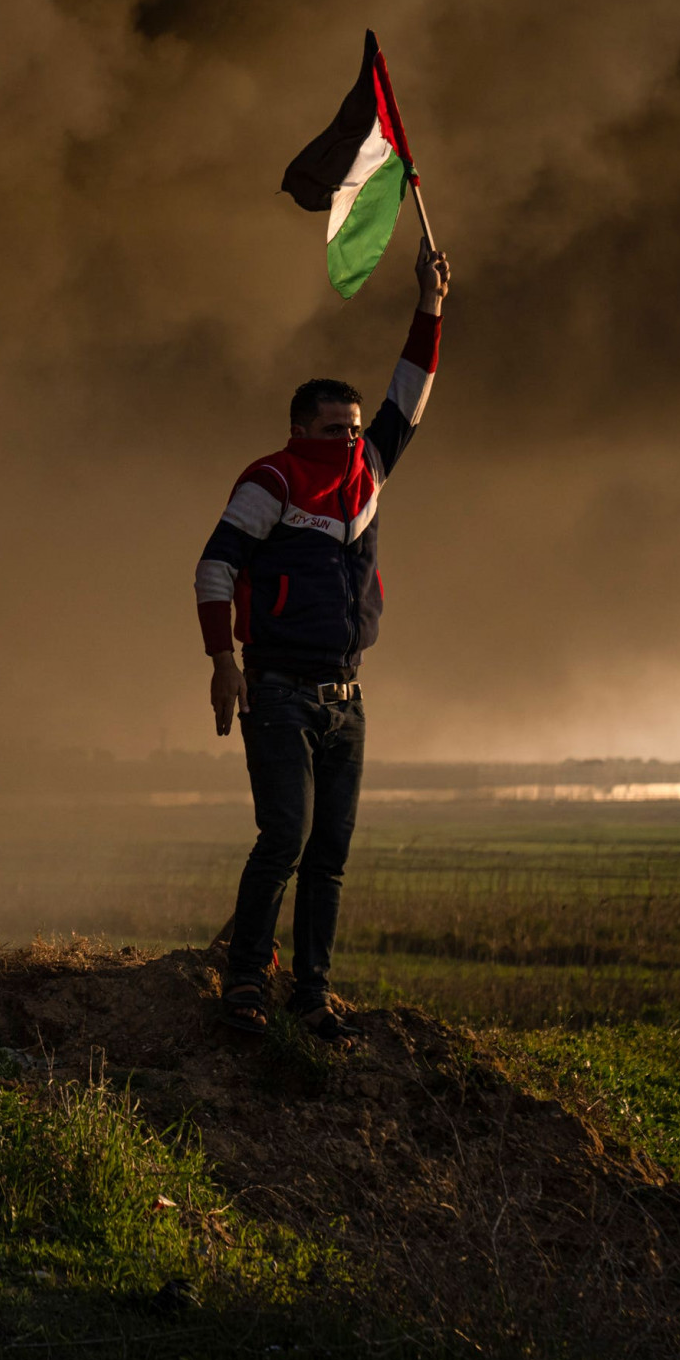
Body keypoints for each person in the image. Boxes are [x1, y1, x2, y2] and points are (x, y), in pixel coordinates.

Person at [193, 235, 452, 1041]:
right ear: (300, 426)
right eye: (333, 427)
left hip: (347, 697)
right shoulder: (271, 480)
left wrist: (431, 304)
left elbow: (408, 395)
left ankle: (312, 991)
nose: (348, 437)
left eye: (351, 426)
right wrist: (223, 665)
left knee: (330, 855)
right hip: (278, 691)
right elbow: (213, 569)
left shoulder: (367, 473)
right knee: (285, 839)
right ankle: (244, 980)